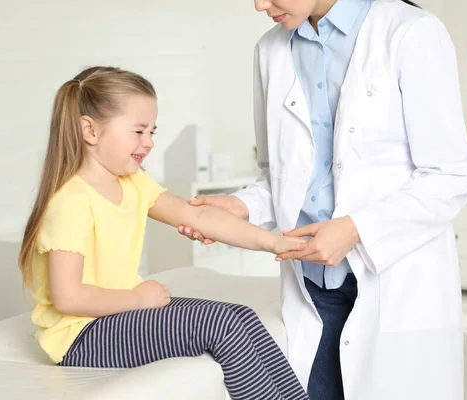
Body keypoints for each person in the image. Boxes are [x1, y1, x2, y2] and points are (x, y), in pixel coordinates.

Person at [178, 0, 467, 399]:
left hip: (393, 279)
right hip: (313, 288)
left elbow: (452, 173)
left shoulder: (411, 32)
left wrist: (355, 230)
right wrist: (243, 206)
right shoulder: (271, 50)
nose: (258, 5)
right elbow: (281, 175)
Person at [17, 66, 310, 400]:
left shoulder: (133, 183)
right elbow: (68, 297)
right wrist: (139, 299)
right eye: (139, 131)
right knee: (219, 324)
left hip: (117, 316)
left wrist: (277, 242)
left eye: (152, 132)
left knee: (239, 315)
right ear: (90, 130)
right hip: (82, 336)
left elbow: (196, 216)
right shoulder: (71, 201)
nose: (150, 143)